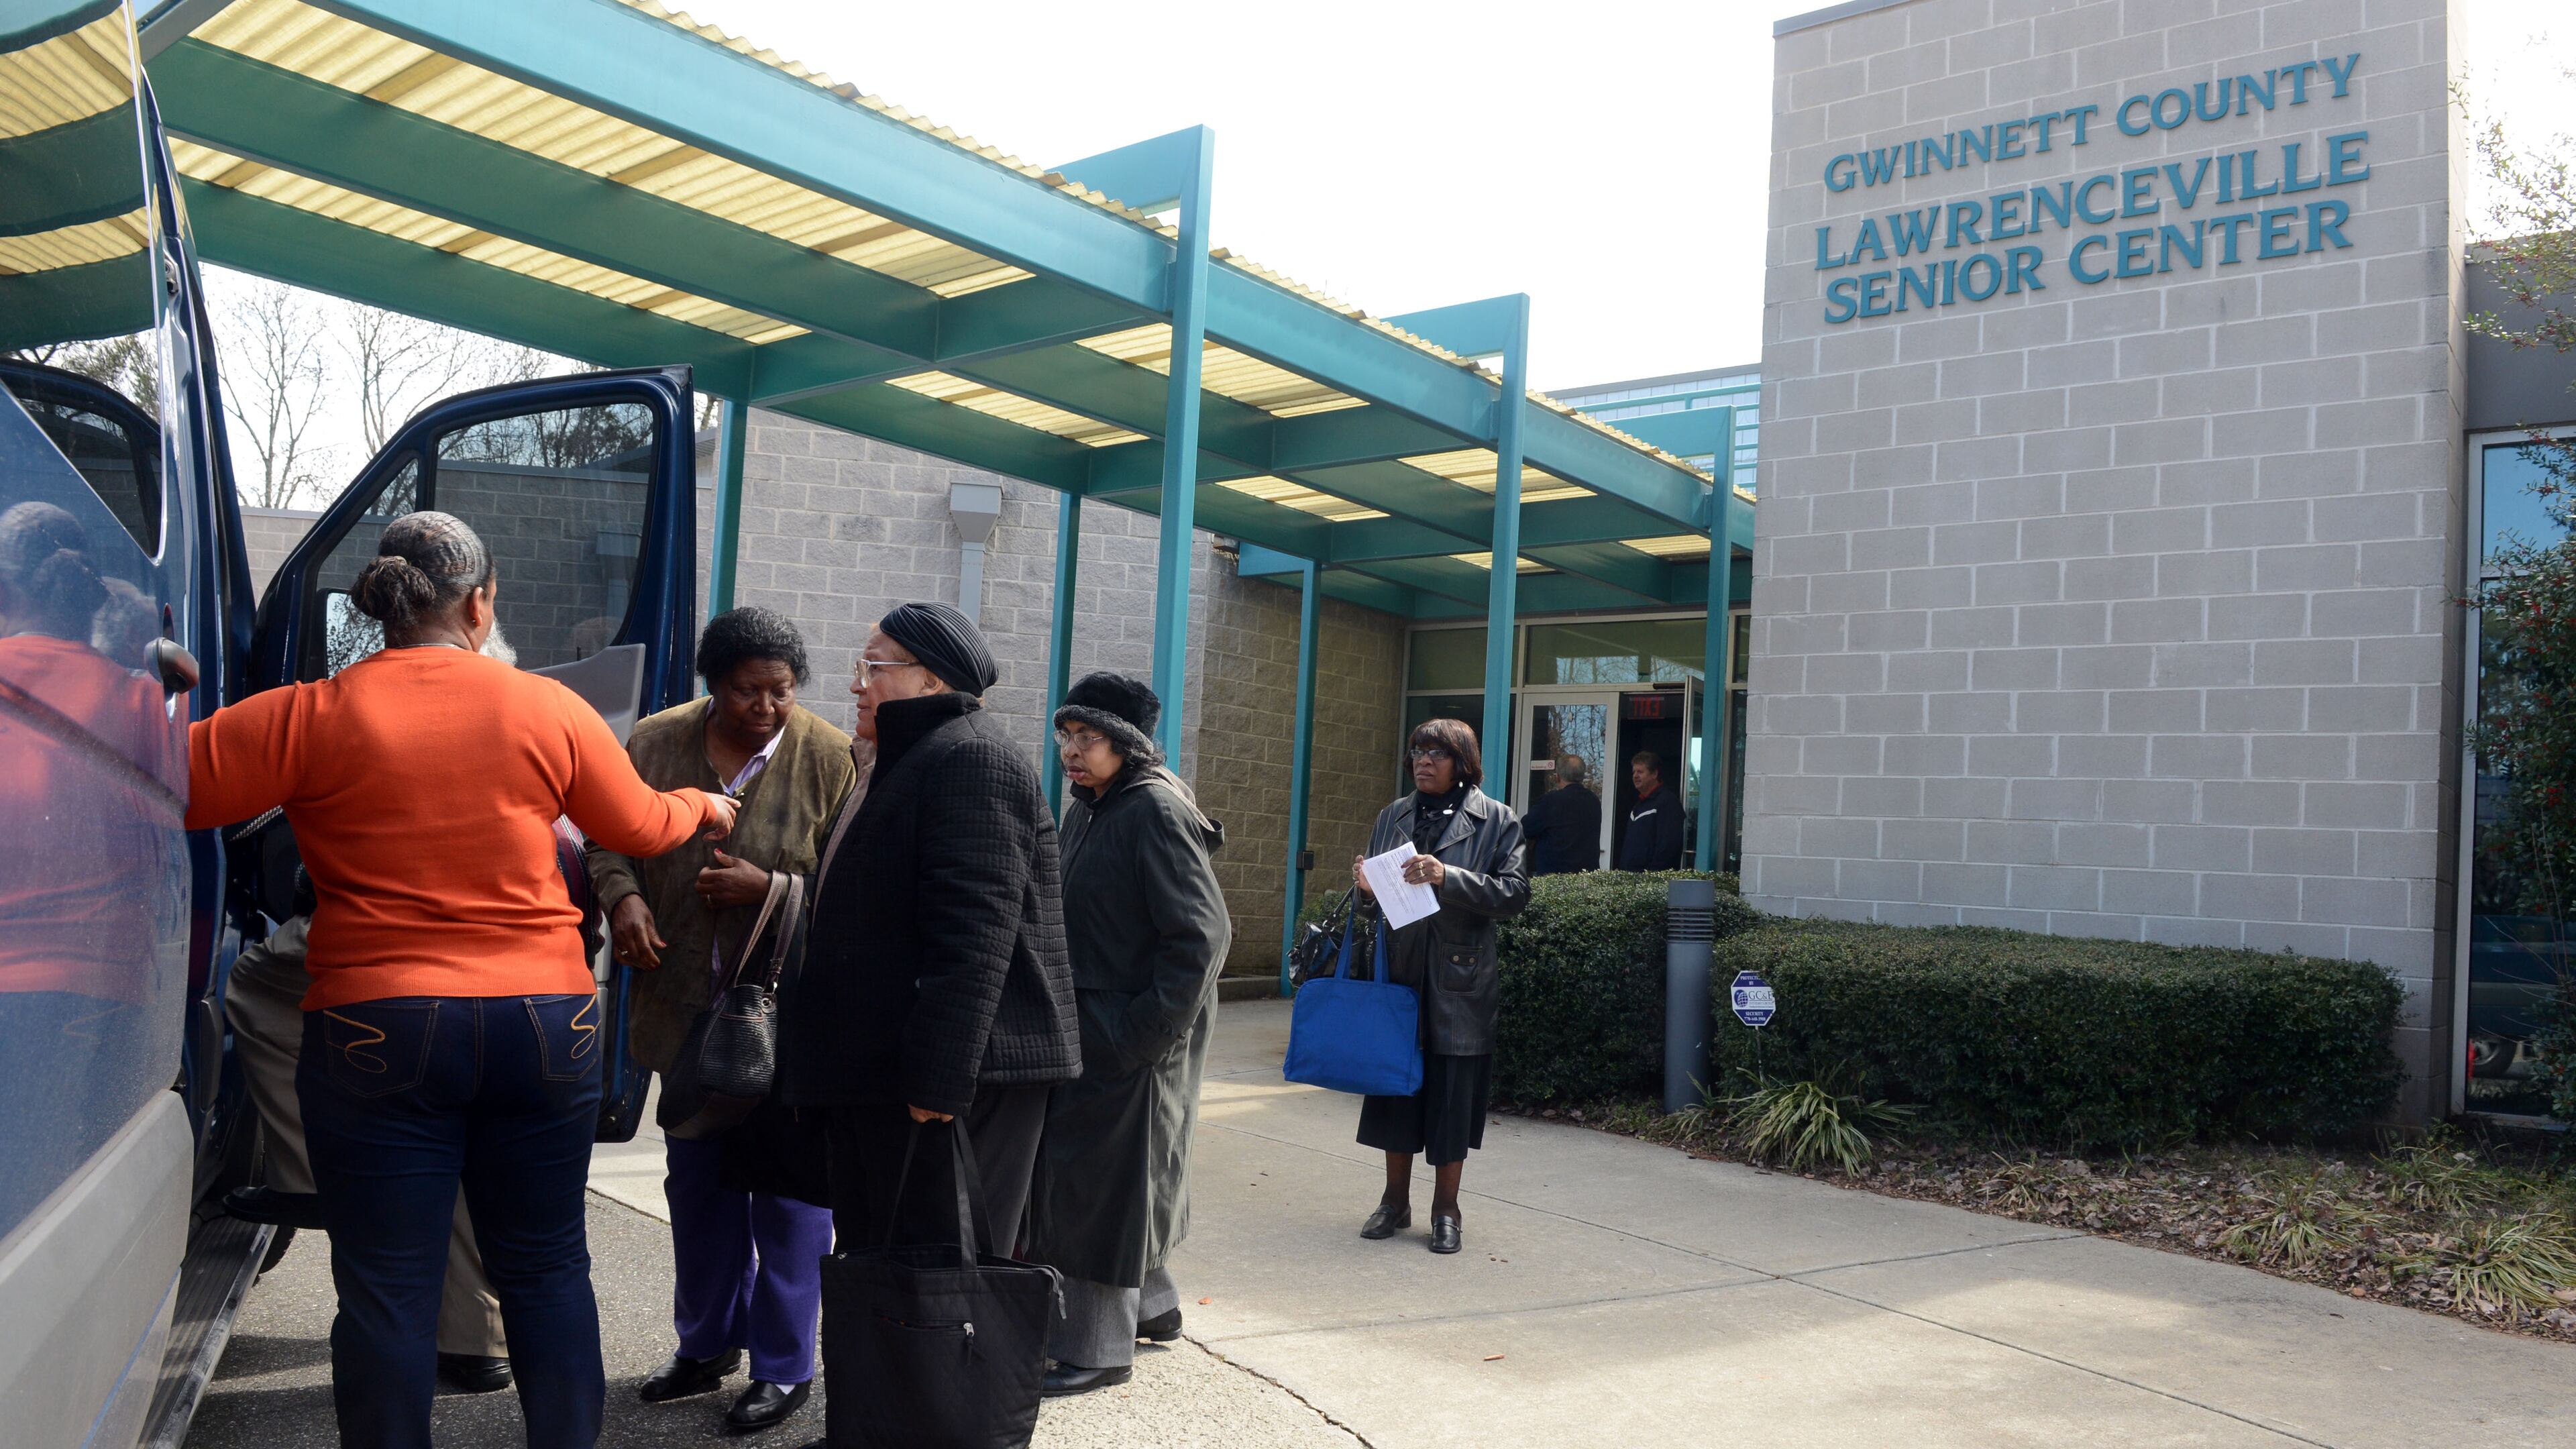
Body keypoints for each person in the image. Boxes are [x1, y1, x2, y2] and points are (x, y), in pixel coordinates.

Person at [184, 511, 737, 1449]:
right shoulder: (545, 709)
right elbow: (642, 826)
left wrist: (150, 696)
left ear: (385, 606)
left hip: (375, 1029)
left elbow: (176, 781)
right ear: (479, 606)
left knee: (387, 1292)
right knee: (549, 1271)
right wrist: (706, 805)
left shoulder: (311, 711)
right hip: (543, 1024)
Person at [777, 602, 1079, 1449]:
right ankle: (886, 1421)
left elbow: (974, 934)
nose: (858, 682)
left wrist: (937, 1081)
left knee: (941, 1284)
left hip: (953, 1084)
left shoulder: (969, 760)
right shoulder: (900, 759)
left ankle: (948, 1428)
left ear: (932, 679)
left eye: (876, 666)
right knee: (889, 1271)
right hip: (886, 1077)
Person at [587, 607, 856, 1435]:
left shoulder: (832, 758)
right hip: (683, 1015)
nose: (767, 707)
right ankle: (705, 1345)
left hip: (786, 1022)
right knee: (698, 1189)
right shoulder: (657, 743)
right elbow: (607, 840)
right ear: (714, 685)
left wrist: (772, 891)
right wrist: (625, 898)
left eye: (782, 691)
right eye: (749, 692)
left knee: (789, 1199)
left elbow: (857, 893)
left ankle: (785, 1368)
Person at [1026, 673, 1229, 1398]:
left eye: (1089, 740)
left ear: (1129, 745)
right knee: (1116, 1180)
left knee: (1100, 1188)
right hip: (1098, 1028)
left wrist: (1140, 1035)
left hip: (1130, 1037)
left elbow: (1204, 937)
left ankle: (1100, 1347)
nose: (1071, 754)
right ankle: (1155, 1305)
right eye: (1066, 738)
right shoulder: (1095, 805)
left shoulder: (1152, 810)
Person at [1348, 718, 1529, 1255]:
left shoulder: (1496, 819)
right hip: (1400, 973)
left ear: (1462, 761)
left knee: (1452, 1098)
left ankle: (1446, 1210)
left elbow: (1515, 894)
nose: (1423, 761)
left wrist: (1447, 877)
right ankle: (1394, 1201)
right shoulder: (1393, 815)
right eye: (1416, 751)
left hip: (1459, 978)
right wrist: (1363, 886)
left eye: (1436, 752)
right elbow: (1370, 902)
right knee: (1394, 1091)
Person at [1519, 753, 1602, 875]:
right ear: (1582, 777)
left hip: (1555, 879)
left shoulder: (1551, 801)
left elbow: (1525, 828)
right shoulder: (1593, 801)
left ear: (1557, 777)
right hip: (1587, 878)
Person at [1615, 750, 1686, 871]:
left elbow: (1668, 847)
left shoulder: (1667, 803)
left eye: (1640, 772)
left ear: (1654, 774)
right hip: (1630, 879)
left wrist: (1651, 876)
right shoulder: (1639, 806)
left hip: (1651, 882)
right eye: (1634, 772)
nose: (1635, 776)